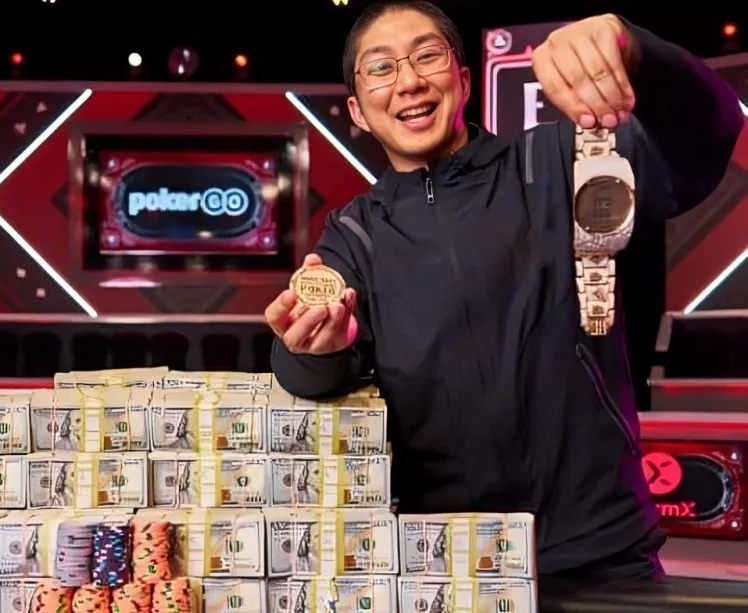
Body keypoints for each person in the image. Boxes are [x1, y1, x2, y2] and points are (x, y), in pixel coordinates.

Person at [265, 0, 743, 587]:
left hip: (600, 550)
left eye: (426, 56)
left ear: (464, 80)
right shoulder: (353, 233)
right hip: (445, 564)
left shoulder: (559, 162)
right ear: (359, 112)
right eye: (381, 68)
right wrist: (312, 349)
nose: (409, 81)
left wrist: (635, 47)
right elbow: (312, 376)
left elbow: (709, 133)